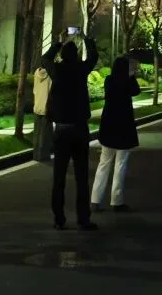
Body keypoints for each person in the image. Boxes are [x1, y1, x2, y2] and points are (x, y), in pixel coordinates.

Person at [40, 28, 98, 231]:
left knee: (59, 176)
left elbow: (45, 58)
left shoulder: (57, 70)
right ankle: (83, 219)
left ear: (62, 56)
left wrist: (59, 41)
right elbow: (93, 57)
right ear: (76, 55)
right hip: (80, 128)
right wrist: (86, 39)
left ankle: (59, 218)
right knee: (82, 177)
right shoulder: (81, 69)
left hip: (62, 129)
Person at [91, 55, 140, 213]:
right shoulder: (127, 82)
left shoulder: (109, 80)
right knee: (120, 165)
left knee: (103, 164)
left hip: (109, 128)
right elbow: (136, 91)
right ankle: (116, 201)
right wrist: (131, 77)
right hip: (123, 129)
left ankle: (95, 199)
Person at [32, 63, 53, 162]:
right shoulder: (50, 74)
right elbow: (51, 91)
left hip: (37, 106)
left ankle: (35, 155)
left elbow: (34, 90)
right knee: (45, 134)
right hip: (46, 107)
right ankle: (43, 156)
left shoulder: (36, 73)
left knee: (37, 132)